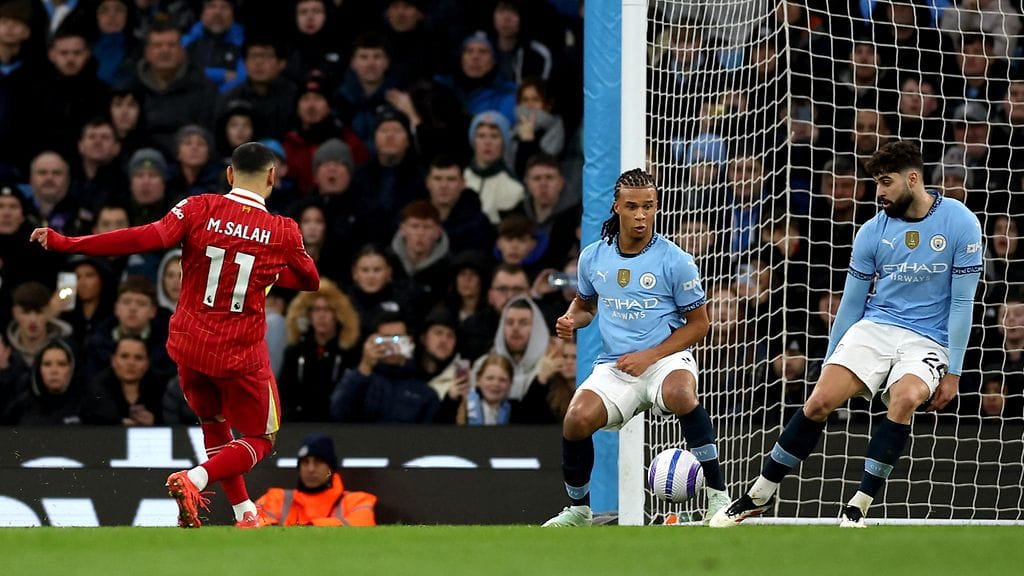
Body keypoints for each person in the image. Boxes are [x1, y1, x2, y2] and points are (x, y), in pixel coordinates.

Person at [30, 142, 320, 529]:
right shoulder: (282, 231)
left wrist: (68, 242)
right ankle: (195, 479)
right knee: (261, 438)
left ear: (229, 175)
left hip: (189, 347)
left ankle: (245, 513)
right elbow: (310, 280)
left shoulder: (197, 207)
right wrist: (263, 268)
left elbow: (139, 238)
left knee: (214, 424)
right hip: (238, 353)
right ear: (272, 177)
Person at [710, 141, 983, 528]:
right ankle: (759, 494)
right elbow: (852, 304)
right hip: (876, 327)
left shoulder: (960, 222)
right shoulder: (872, 231)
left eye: (886, 182)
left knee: (905, 398)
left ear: (912, 179)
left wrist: (953, 371)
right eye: (876, 183)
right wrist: (830, 360)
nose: (879, 192)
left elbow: (962, 303)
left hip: (928, 338)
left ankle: (858, 505)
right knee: (819, 401)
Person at [543, 168, 729, 527]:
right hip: (617, 365)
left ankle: (718, 496)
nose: (641, 215)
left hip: (665, 358)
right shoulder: (593, 257)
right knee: (576, 419)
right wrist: (570, 319)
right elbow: (585, 306)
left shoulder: (675, 260)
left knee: (681, 393)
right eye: (632, 207)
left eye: (648, 206)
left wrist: (650, 356)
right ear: (617, 207)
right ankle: (579, 510)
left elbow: (699, 325)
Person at [256, 433, 377, 526]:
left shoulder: (357, 501)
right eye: (305, 462)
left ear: (331, 468)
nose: (311, 469)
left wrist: (306, 528)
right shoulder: (276, 498)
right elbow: (253, 523)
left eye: (318, 462)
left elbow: (362, 524)